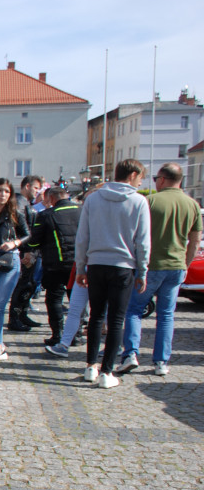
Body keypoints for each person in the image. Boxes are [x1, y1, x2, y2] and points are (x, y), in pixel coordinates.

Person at [117, 163, 202, 376]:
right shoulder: (192, 205)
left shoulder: (150, 201)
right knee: (166, 315)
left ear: (162, 179)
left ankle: (130, 354)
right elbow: (195, 241)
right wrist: (186, 264)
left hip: (150, 265)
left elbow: (135, 235)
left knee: (134, 310)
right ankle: (161, 362)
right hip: (176, 266)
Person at [74, 159, 150, 389]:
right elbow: (143, 241)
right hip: (123, 265)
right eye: (141, 177)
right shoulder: (139, 201)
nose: (140, 182)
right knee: (116, 319)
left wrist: (81, 267)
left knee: (96, 316)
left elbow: (82, 236)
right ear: (133, 175)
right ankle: (106, 372)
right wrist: (143, 270)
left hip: (96, 264)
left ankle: (90, 366)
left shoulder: (93, 198)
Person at [27, 186, 80, 347]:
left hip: (55, 264)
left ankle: (58, 334)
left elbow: (34, 241)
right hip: (78, 263)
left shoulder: (46, 215)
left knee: (54, 299)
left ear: (51, 198)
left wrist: (28, 248)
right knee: (76, 300)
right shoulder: (82, 210)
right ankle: (75, 335)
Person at [0, 178, 28, 360]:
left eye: (7, 191)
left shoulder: (14, 213)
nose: (3, 194)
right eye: (0, 190)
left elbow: (27, 234)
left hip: (9, 261)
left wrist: (14, 243)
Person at [8, 175, 44, 331]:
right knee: (23, 285)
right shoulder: (19, 202)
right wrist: (27, 250)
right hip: (24, 250)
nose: (37, 192)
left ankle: (22, 314)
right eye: (36, 188)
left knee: (29, 284)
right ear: (27, 186)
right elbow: (22, 230)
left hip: (29, 249)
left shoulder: (25, 203)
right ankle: (15, 317)